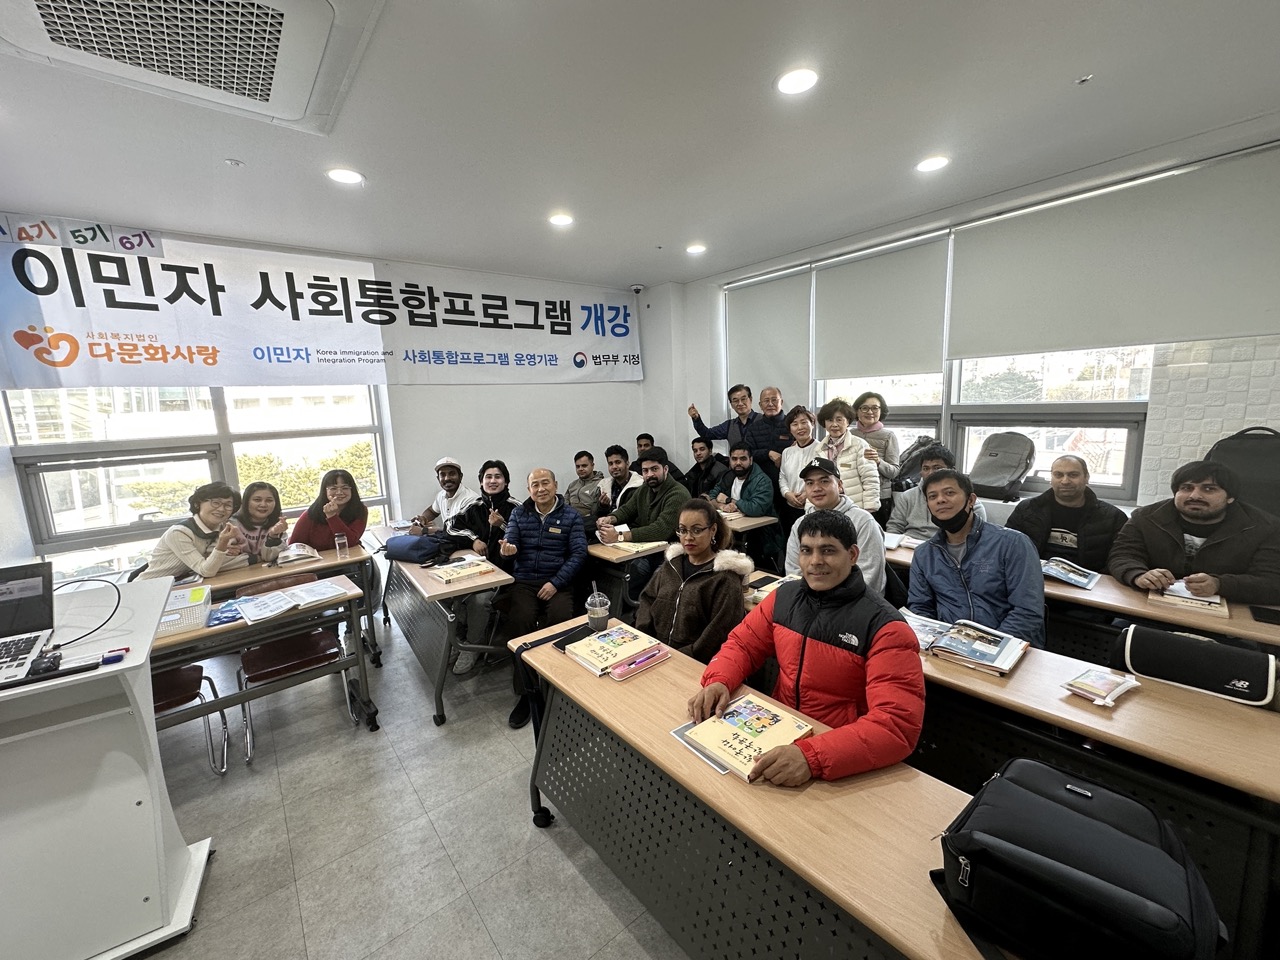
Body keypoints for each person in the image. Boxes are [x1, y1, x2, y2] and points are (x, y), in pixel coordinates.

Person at [688, 511, 924, 785]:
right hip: (778, 732)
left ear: (852, 554)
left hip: (838, 751)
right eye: (806, 550)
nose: (815, 561)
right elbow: (743, 645)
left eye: (828, 550)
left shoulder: (886, 628)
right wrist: (719, 680)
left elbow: (895, 726)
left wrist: (811, 757)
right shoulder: (783, 597)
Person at [1108, 460, 1280, 604]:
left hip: (1227, 613)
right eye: (1186, 488)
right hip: (1151, 604)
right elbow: (1122, 555)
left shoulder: (1266, 528)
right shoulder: (1145, 517)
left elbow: (1272, 582)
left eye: (1209, 489)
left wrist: (1219, 584)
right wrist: (1138, 574)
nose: (1194, 496)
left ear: (1230, 497)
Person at [908, 468, 1045, 647]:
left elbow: (1027, 612)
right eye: (932, 497)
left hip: (1006, 646)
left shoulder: (1013, 543)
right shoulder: (924, 554)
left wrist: (988, 647)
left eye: (949, 493)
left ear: (971, 500)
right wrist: (937, 643)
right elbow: (920, 608)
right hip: (949, 647)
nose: (940, 500)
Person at [500, 467, 588, 728]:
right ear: (529, 490)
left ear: (555, 485)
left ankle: (555, 685)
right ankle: (527, 693)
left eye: (545, 483)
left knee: (560, 622)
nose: (541, 489)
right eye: (535, 485)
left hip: (558, 582)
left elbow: (579, 554)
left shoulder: (571, 516)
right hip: (525, 582)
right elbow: (510, 541)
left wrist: (555, 583)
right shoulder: (519, 513)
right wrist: (508, 550)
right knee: (520, 622)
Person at [635, 499, 754, 663]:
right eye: (682, 530)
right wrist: (645, 641)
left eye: (697, 530)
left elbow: (717, 635)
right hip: (653, 654)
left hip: (692, 663)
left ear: (713, 530)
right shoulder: (671, 566)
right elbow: (647, 600)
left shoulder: (725, 579)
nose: (688, 537)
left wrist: (679, 658)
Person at [448, 460, 521, 674]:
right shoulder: (475, 506)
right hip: (475, 571)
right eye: (488, 477)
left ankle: (472, 646)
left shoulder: (517, 508)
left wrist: (502, 525)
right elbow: (450, 526)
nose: (492, 481)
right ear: (481, 481)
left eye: (498, 476)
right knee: (451, 594)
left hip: (505, 574)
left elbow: (525, 537)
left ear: (506, 481)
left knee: (478, 600)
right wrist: (473, 540)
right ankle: (458, 640)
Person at [597, 446, 691, 601]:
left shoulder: (678, 494)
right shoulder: (645, 489)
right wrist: (610, 518)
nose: (649, 475)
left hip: (670, 553)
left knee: (636, 575)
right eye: (645, 471)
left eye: (654, 469)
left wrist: (619, 536)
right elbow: (627, 509)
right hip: (646, 550)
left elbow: (661, 530)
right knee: (610, 572)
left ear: (665, 469)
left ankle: (637, 610)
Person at [1005, 455, 1128, 571]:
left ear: (1086, 478)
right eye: (1058, 475)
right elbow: (1007, 547)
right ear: (1051, 479)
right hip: (1033, 576)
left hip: (1088, 582)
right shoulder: (1027, 509)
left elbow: (1120, 559)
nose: (1065, 481)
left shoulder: (1114, 517)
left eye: (1073, 475)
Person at [783, 456, 885, 594]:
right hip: (809, 600)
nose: (816, 488)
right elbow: (793, 571)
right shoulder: (800, 523)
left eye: (824, 481)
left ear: (840, 485)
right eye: (810, 483)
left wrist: (828, 601)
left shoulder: (863, 521)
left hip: (852, 602)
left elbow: (869, 577)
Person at [139, 481, 250, 580]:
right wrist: (222, 544)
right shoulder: (179, 533)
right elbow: (206, 570)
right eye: (216, 503)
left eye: (228, 505)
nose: (221, 509)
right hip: (149, 586)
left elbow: (217, 563)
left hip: (180, 584)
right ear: (197, 504)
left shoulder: (222, 528)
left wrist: (231, 552)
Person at [886, 445, 987, 540]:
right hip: (907, 546)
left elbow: (976, 537)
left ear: (951, 470)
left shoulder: (970, 503)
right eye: (926, 468)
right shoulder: (907, 497)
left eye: (937, 468)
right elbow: (894, 527)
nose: (930, 473)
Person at [708, 442, 783, 567]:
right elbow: (711, 496)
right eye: (734, 459)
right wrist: (721, 506)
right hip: (732, 530)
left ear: (751, 460)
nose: (738, 463)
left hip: (761, 535)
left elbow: (756, 508)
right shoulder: (728, 476)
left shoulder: (762, 480)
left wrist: (729, 500)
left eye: (743, 459)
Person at [401, 457, 481, 561]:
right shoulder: (441, 495)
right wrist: (423, 519)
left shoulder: (470, 499)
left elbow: (452, 531)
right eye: (442, 475)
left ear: (460, 476)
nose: (447, 478)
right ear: (438, 478)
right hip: (449, 545)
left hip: (467, 548)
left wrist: (424, 531)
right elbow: (432, 511)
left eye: (452, 474)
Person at [815, 398, 879, 511]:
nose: (834, 424)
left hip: (855, 507)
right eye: (830, 420)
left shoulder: (859, 445)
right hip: (827, 508)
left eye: (839, 420)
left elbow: (870, 478)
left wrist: (870, 508)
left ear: (848, 421)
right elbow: (813, 481)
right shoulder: (819, 449)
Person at [850, 391, 900, 525]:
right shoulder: (850, 434)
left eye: (875, 408)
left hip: (879, 498)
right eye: (864, 408)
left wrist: (878, 461)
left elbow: (894, 472)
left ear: (881, 411)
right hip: (852, 495)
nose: (870, 412)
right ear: (857, 411)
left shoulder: (888, 436)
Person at [289, 469, 369, 551]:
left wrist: (332, 517)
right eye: (333, 488)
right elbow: (294, 545)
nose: (339, 492)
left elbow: (350, 542)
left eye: (345, 488)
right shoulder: (312, 513)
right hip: (320, 558)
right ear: (325, 491)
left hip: (352, 557)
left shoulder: (360, 510)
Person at [229, 481, 289, 565]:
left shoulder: (279, 525)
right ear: (246, 502)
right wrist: (258, 558)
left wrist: (273, 536)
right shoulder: (232, 524)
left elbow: (269, 557)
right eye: (257, 500)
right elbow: (230, 557)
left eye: (269, 500)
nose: (263, 504)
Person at [778, 405, 819, 528]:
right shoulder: (787, 452)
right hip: (790, 507)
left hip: (814, 507)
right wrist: (787, 494)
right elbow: (782, 477)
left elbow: (825, 478)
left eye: (804, 422)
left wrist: (807, 494)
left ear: (812, 424)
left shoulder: (821, 450)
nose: (800, 427)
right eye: (795, 424)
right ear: (790, 429)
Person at [689, 383, 756, 450]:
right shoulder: (729, 425)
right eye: (735, 400)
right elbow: (707, 434)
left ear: (750, 399)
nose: (740, 403)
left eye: (743, 399)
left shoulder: (761, 419)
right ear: (731, 404)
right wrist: (696, 418)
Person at [564, 450, 604, 520]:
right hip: (570, 519)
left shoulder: (601, 484)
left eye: (584, 466)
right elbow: (564, 505)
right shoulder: (572, 485)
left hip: (590, 520)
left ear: (592, 466)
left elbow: (598, 510)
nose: (580, 469)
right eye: (578, 466)